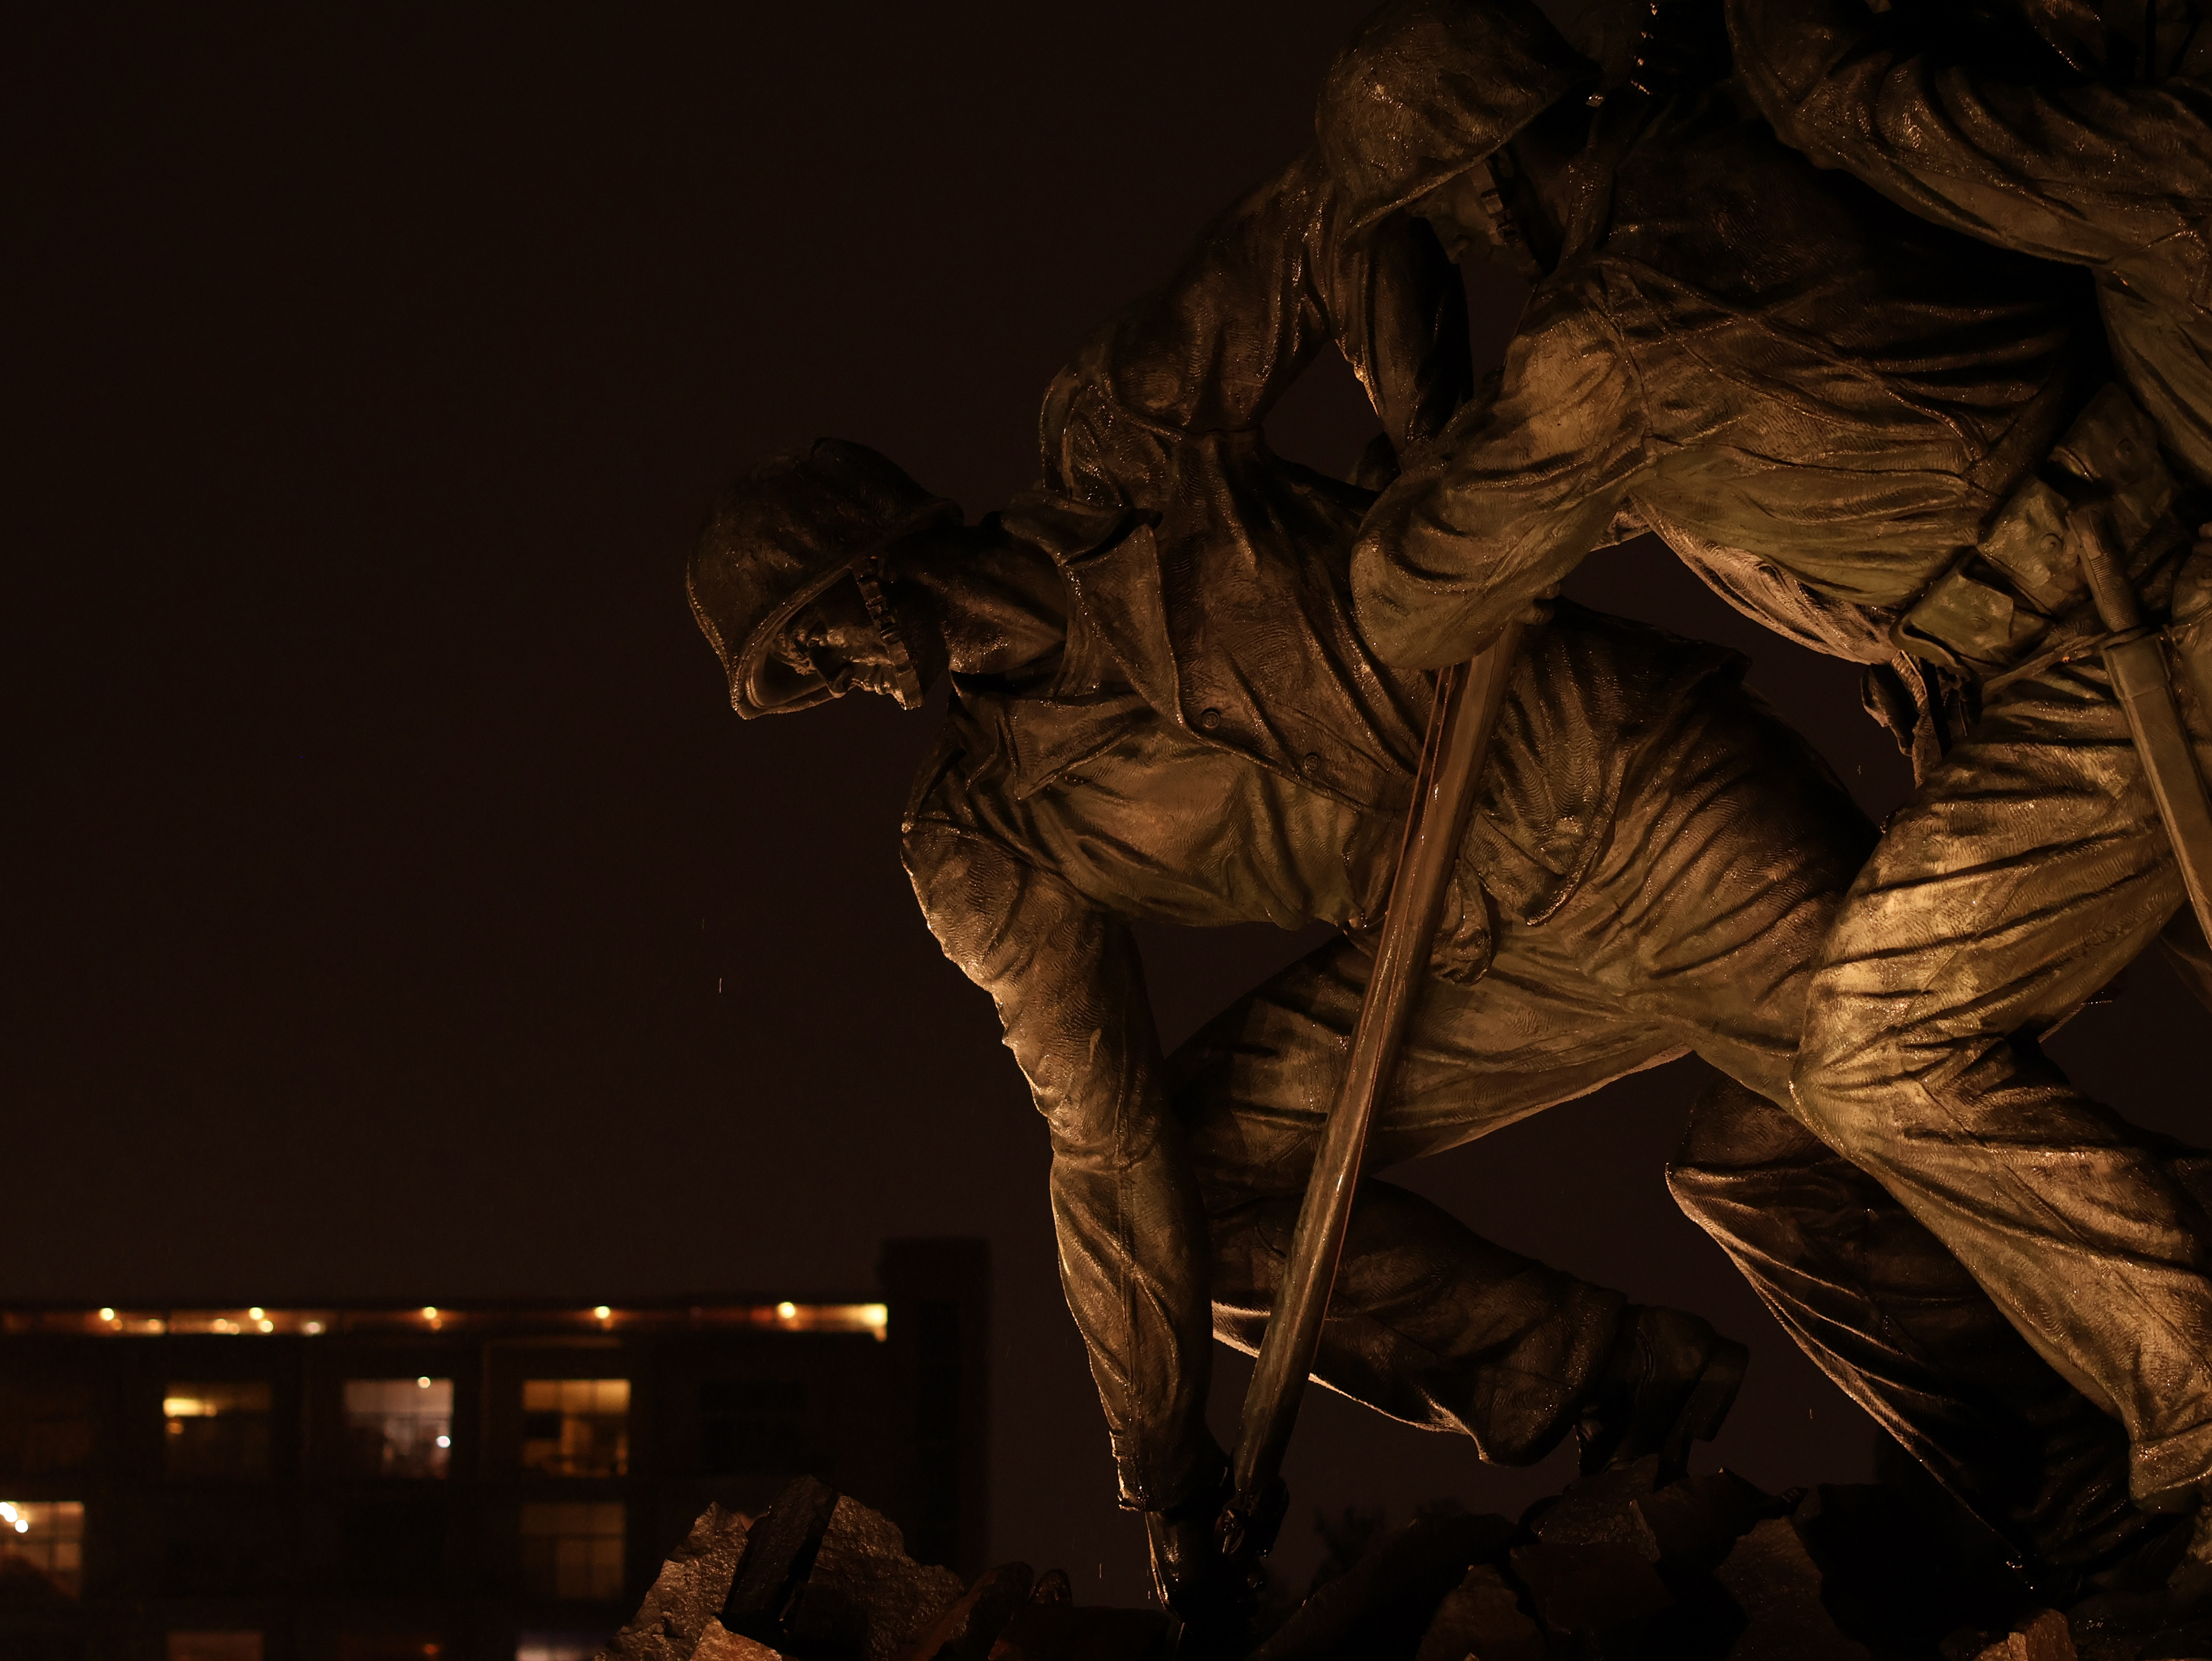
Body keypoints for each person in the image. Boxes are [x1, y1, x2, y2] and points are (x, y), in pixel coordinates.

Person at [687, 115, 2173, 1615]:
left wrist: (1424, 438)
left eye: (813, 627)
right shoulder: (980, 838)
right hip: (1475, 941)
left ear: (879, 549)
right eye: (794, 675)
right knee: (1195, 1186)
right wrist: (1168, 1473)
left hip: (1644, 799)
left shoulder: (1127, 440)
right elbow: (1106, 1151)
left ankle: (2109, 1509)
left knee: (1823, 1145)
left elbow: (1345, 207)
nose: (830, 673)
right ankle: (1598, 1382)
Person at [1325, 0, 2212, 1545]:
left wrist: (1426, 438)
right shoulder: (1709, 167)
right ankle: (2082, 1510)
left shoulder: (1606, 342)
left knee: (1874, 1049)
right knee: (1767, 1149)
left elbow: (1409, 597)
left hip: (2137, 633)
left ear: (1475, 189)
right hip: (2049, 658)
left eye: (1445, 220)